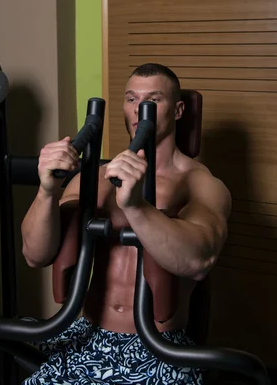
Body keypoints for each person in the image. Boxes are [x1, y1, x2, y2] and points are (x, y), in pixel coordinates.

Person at [20, 63, 232, 384]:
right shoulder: (98, 177)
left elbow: (198, 260)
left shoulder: (200, 183)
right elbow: (34, 254)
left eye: (153, 100)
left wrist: (135, 206)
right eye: (131, 99)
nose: (139, 110)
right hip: (88, 335)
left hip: (160, 347)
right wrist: (47, 191)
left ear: (177, 110)